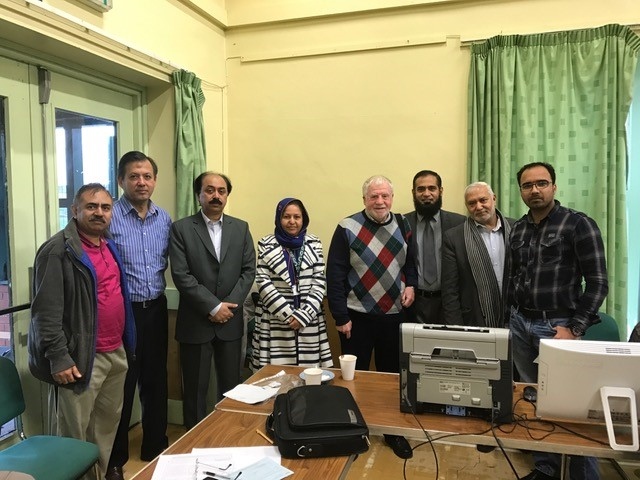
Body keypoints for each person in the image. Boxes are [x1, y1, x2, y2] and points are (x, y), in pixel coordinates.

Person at [506, 162, 608, 480]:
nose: (534, 190)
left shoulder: (578, 224)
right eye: (527, 185)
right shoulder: (519, 229)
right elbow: (515, 278)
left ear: (554, 186)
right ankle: (546, 468)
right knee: (533, 400)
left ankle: (582, 474)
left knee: (569, 406)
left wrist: (574, 329)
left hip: (558, 327)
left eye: (542, 183)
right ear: (520, 190)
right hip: (521, 324)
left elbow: (598, 281)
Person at [28, 183, 136, 480]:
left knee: (104, 431)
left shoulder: (109, 245)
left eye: (105, 207)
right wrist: (59, 357)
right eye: (91, 206)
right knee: (73, 437)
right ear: (75, 210)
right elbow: (45, 312)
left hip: (115, 352)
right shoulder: (57, 251)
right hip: (80, 359)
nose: (99, 213)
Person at [327, 175, 417, 460]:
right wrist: (340, 316)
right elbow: (335, 274)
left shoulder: (404, 225)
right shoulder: (347, 227)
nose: (380, 201)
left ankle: (392, 431)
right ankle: (353, 432)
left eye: (385, 196)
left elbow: (411, 264)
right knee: (354, 378)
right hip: (357, 317)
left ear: (392, 197)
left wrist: (412, 285)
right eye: (373, 196)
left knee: (392, 378)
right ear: (364, 199)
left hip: (393, 317)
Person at [169, 172, 256, 430]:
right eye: (209, 190)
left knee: (231, 387)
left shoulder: (240, 228)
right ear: (199, 195)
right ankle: (192, 442)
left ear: (227, 195)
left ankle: (228, 435)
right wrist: (213, 306)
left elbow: (248, 270)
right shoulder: (182, 228)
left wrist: (227, 305)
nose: (216, 195)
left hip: (230, 322)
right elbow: (181, 275)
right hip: (196, 322)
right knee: (195, 390)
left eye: (221, 191)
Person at [105, 152, 172, 480]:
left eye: (147, 176)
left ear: (155, 180)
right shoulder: (109, 217)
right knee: (122, 384)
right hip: (123, 312)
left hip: (156, 308)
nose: (141, 182)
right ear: (121, 181)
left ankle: (155, 445)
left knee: (155, 379)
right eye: (134, 176)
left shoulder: (164, 218)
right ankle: (115, 458)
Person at [251, 198, 332, 370]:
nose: (292, 221)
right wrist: (288, 316)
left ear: (304, 219)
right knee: (274, 378)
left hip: (308, 318)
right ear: (279, 219)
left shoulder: (314, 243)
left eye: (297, 216)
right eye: (286, 216)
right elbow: (263, 282)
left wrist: (303, 316)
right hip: (276, 318)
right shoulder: (265, 244)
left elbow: (319, 281)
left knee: (309, 375)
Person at [441, 182, 512, 327]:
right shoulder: (454, 237)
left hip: (515, 320)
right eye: (472, 203)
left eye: (483, 200)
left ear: (494, 198)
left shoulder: (517, 228)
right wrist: (456, 328)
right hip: (474, 321)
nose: (478, 207)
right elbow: (450, 292)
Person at [405, 170, 465, 324]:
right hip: (412, 303)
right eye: (421, 189)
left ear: (440, 191)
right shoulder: (402, 223)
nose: (426, 193)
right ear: (413, 192)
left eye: (432, 188)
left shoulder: (460, 223)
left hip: (449, 304)